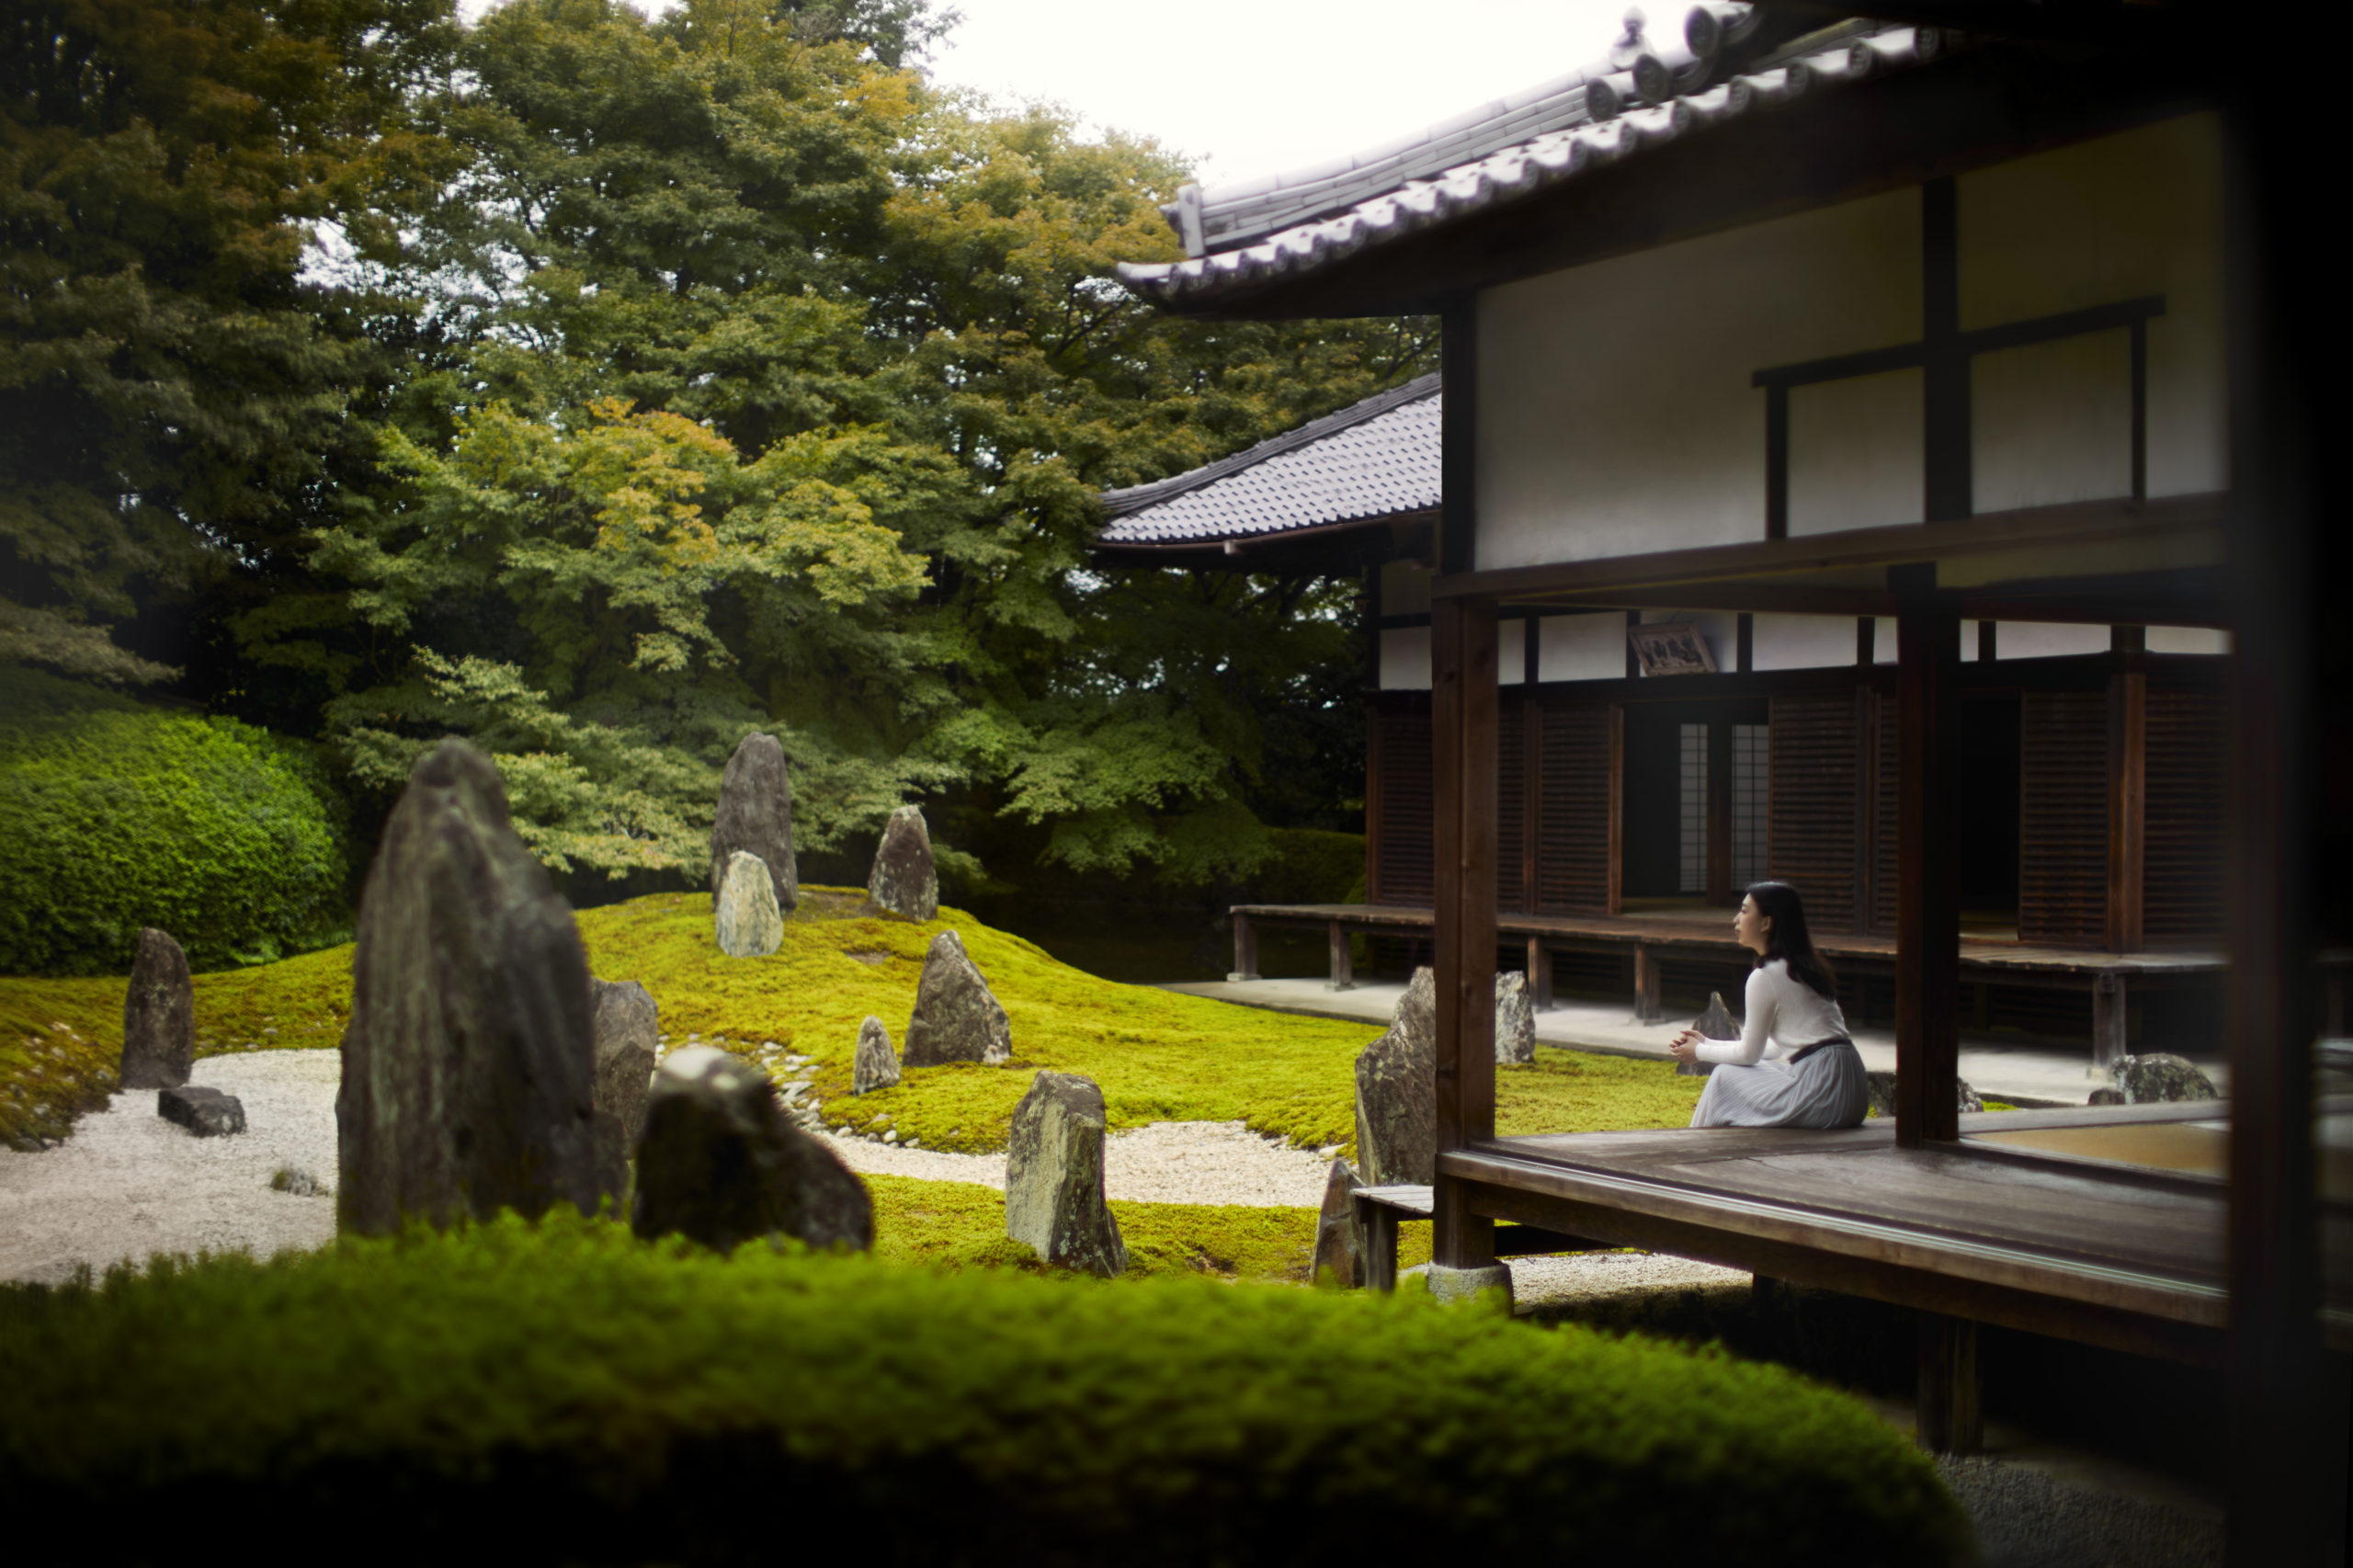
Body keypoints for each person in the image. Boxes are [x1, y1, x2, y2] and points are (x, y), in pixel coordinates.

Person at [1666, 881, 1869, 1130]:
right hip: (1852, 1092)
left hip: (1824, 1092)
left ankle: (1694, 1147)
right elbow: (1771, 1049)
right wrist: (1708, 1043)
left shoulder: (1765, 977)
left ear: (1766, 923)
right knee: (1756, 1069)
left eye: (1744, 911)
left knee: (1724, 1076)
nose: (1735, 920)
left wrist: (1698, 1053)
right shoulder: (1806, 969)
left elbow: (1749, 1055)